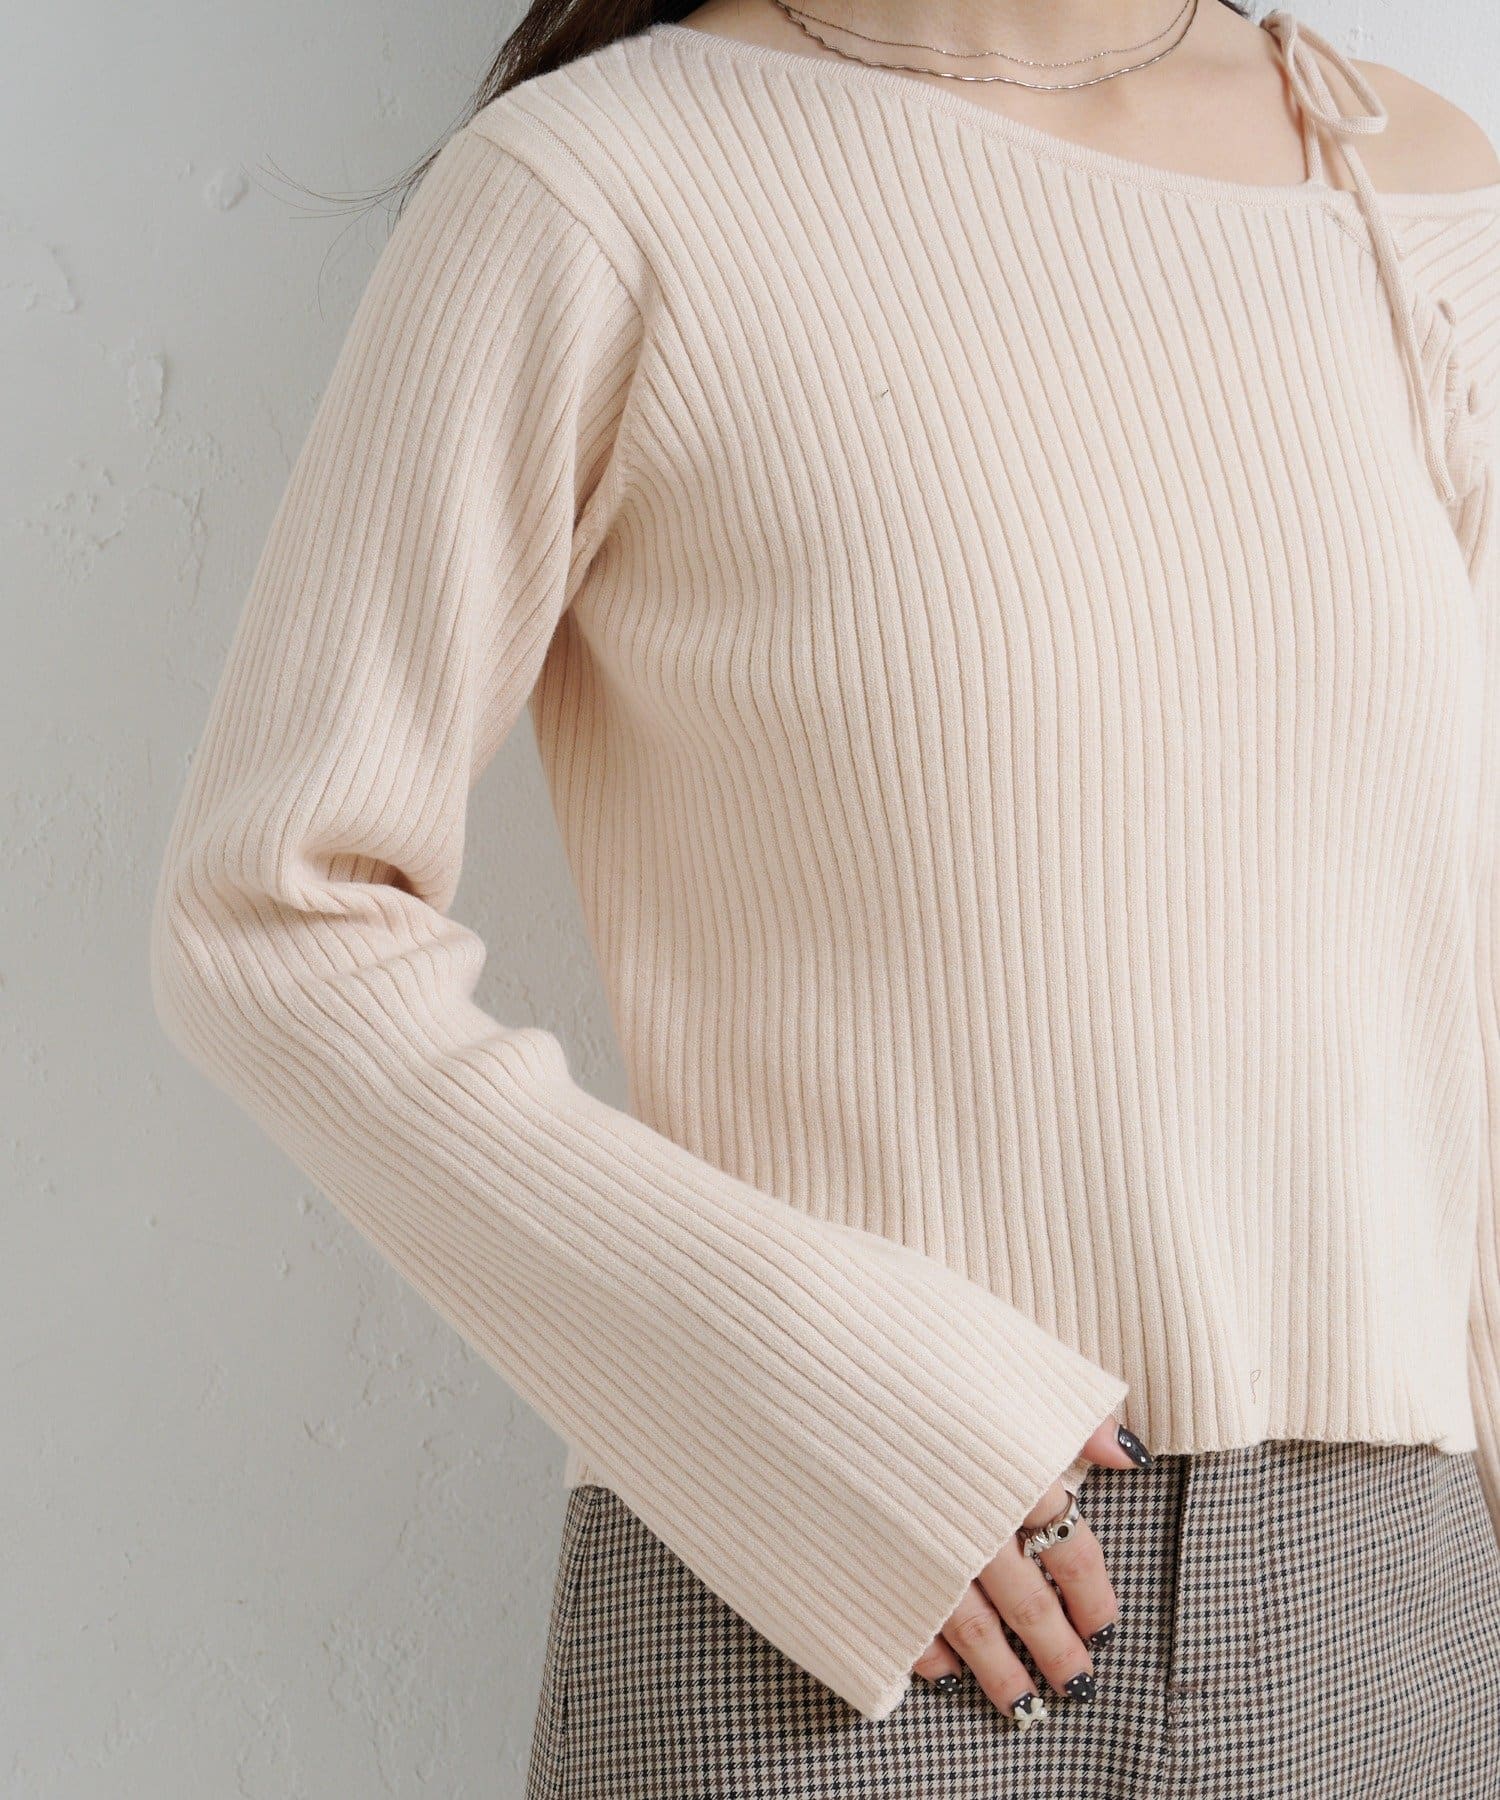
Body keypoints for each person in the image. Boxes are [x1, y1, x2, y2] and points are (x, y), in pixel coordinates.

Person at [149, 0, 1500, 1791]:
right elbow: (269, 919)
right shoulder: (599, 188)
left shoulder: (1404, 182)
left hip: (1404, 1612)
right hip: (846, 1605)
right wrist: (818, 1398)